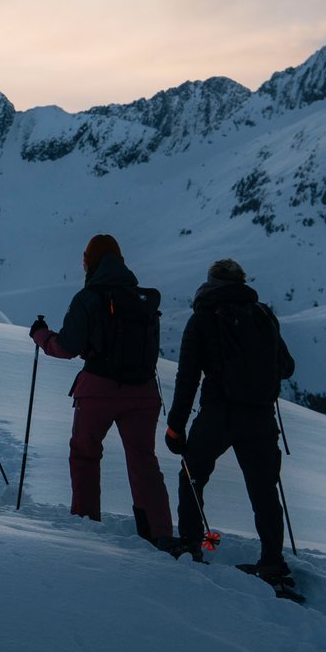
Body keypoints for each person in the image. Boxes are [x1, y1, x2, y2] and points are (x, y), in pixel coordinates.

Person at [29, 234, 178, 550]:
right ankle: (159, 532)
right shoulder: (143, 300)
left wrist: (42, 336)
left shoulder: (88, 298)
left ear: (89, 262)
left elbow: (68, 347)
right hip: (144, 392)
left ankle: (85, 525)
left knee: (85, 453)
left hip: (97, 389)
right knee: (143, 461)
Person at [167, 259, 297, 576]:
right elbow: (287, 367)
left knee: (192, 475)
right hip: (261, 417)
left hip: (218, 414)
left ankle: (191, 544)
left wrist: (175, 426)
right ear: (242, 281)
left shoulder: (202, 318)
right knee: (264, 488)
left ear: (210, 281)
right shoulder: (263, 314)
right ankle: (272, 561)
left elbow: (188, 377)